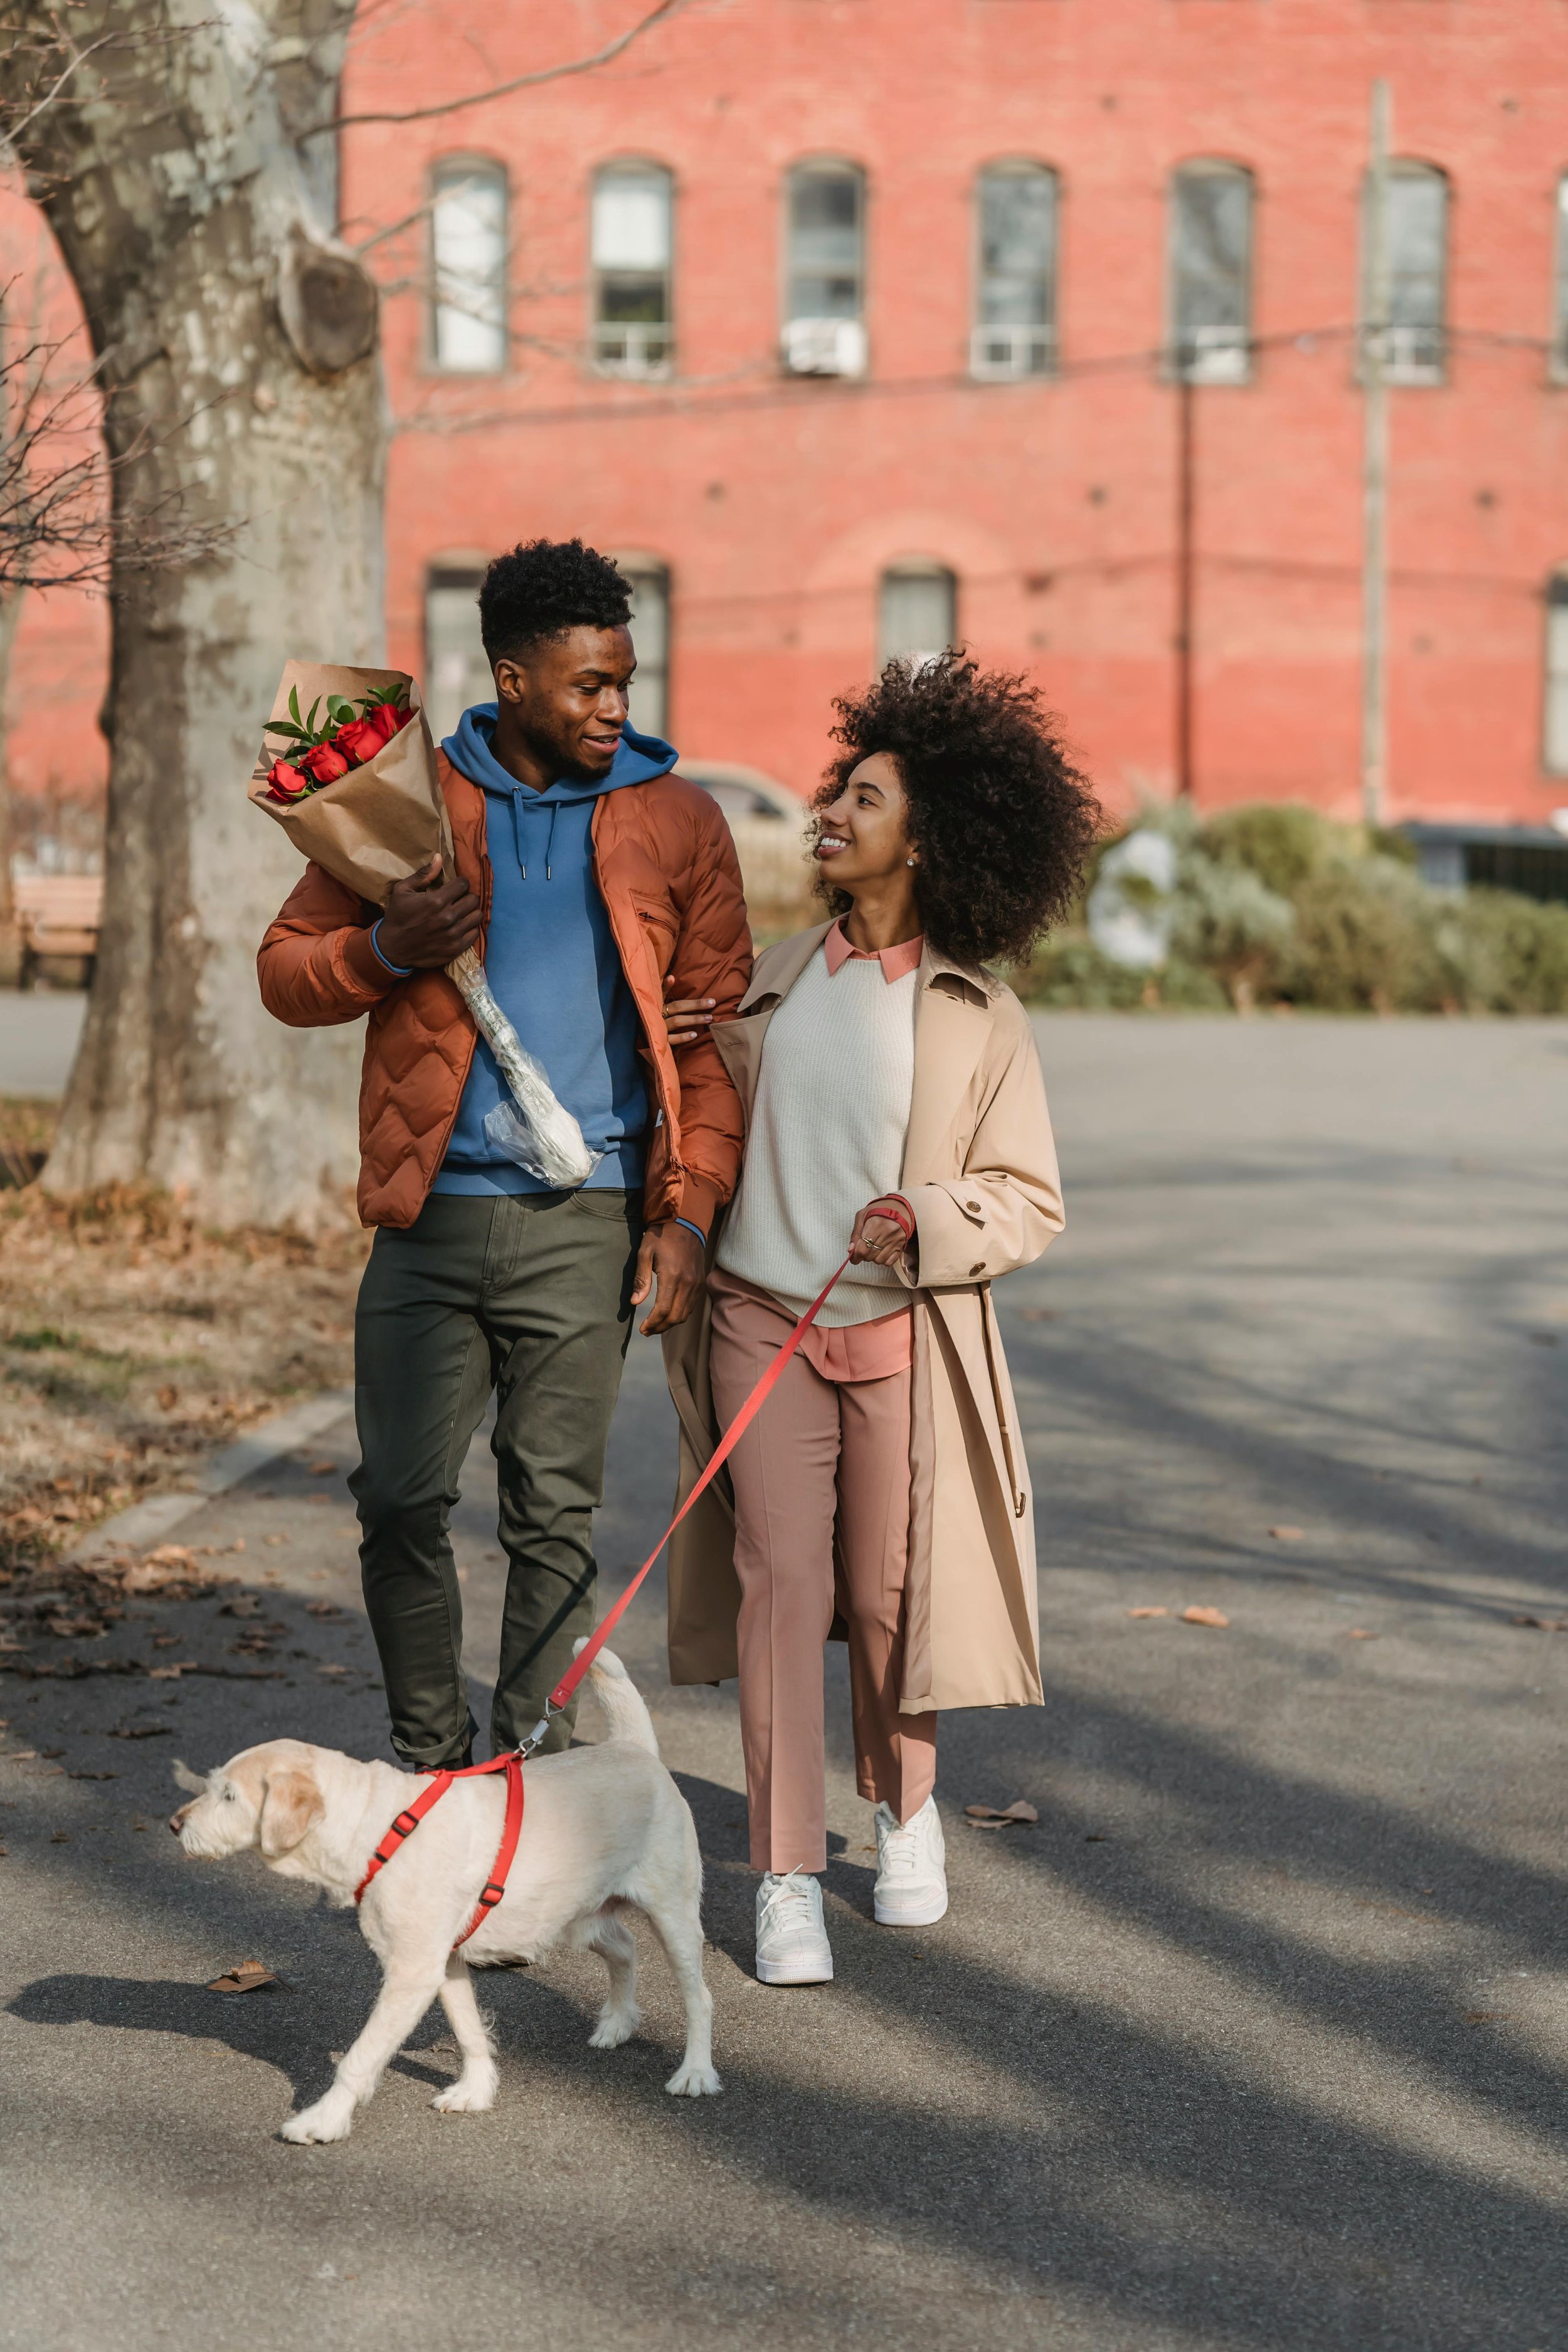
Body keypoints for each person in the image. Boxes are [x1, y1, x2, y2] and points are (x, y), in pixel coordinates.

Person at [258, 539, 750, 1769]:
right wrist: (384, 949)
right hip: (428, 1220)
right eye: (588, 685)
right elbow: (284, 975)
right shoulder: (402, 802)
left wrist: (684, 1218)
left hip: (590, 1220)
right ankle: (431, 1772)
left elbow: (716, 1046)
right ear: (513, 678)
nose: (613, 707)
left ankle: (522, 1778)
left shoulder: (680, 821)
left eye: (624, 683)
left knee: (551, 1525)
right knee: (399, 1504)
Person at [662, 654, 1099, 1985]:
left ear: (931, 836)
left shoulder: (978, 1013)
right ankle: (785, 1873)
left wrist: (925, 1213)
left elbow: (1023, 1199)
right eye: (838, 790)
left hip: (903, 1337)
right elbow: (704, 1124)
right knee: (778, 1592)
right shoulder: (763, 986)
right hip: (760, 1327)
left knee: (889, 1596)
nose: (832, 812)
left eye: (865, 796)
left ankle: (902, 1815)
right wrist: (674, 1044)